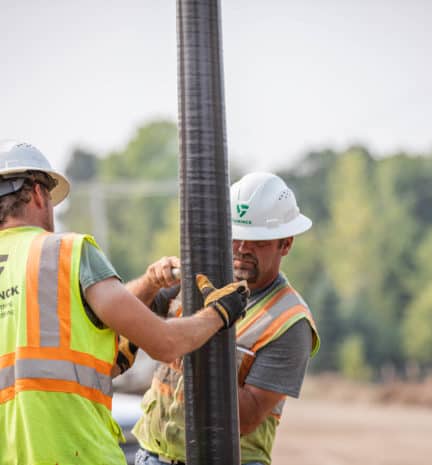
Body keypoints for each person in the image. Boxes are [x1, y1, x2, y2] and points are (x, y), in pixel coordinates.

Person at [0, 140, 249, 465]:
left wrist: (148, 283)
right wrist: (220, 312)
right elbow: (165, 342)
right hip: (80, 454)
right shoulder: (66, 252)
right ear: (37, 193)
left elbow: (68, 331)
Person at [130, 172, 320, 465]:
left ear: (286, 244)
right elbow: (122, 313)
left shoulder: (290, 322)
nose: (243, 248)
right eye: (236, 236)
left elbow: (244, 418)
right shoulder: (193, 278)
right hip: (153, 455)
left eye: (258, 241)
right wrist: (150, 281)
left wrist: (206, 326)